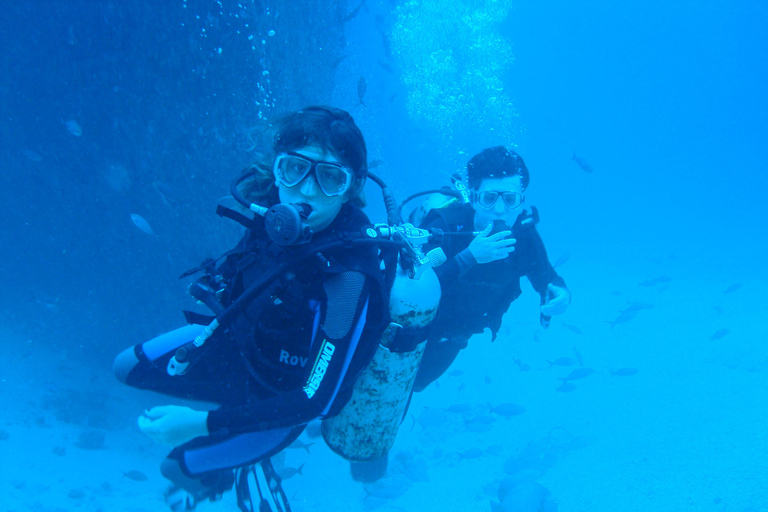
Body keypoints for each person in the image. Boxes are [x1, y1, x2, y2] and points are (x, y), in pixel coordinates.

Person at [112, 106, 387, 510]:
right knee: (125, 368)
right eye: (294, 170)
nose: (306, 192)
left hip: (284, 397)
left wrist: (200, 423)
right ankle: (233, 420)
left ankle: (225, 465)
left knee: (178, 466)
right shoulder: (271, 216)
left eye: (330, 177)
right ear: (277, 170)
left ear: (351, 187)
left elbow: (316, 400)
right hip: (240, 350)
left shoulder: (349, 277)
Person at [412, 146, 570, 391]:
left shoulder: (523, 237)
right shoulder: (443, 228)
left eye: (510, 199)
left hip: (453, 339)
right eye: (488, 198)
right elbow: (412, 291)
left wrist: (561, 293)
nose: (499, 210)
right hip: (411, 331)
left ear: (521, 201)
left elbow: (547, 278)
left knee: (417, 385)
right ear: (474, 198)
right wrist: (469, 257)